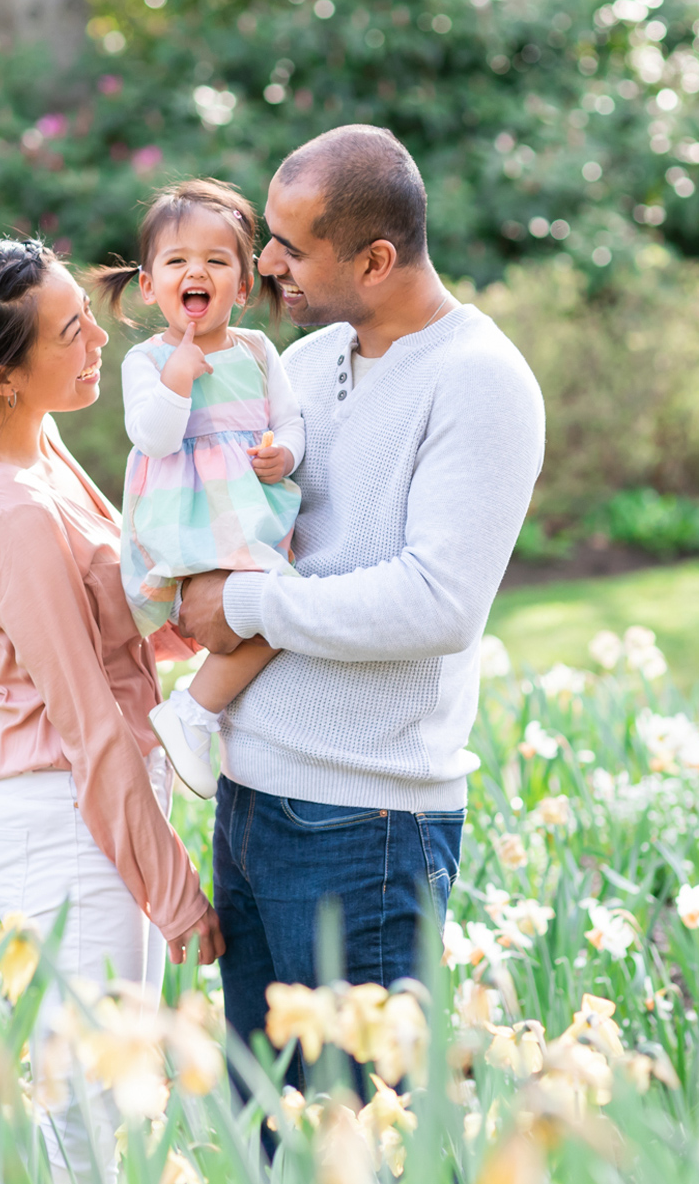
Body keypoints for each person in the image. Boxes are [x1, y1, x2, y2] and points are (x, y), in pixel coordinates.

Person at [178, 125, 545, 1075]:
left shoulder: (481, 381)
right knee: (269, 1135)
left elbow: (437, 602)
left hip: (365, 828)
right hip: (251, 803)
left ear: (376, 258)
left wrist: (252, 604)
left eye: (294, 247)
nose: (264, 263)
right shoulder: (300, 365)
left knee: (366, 1153)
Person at [0, 237, 223, 1184]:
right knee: (88, 1129)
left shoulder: (21, 432)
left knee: (98, 1121)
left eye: (87, 312)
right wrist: (176, 899)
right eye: (69, 331)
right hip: (74, 827)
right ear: (0, 376)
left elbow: (119, 614)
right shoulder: (14, 514)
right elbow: (86, 727)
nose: (97, 342)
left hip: (94, 815)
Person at [96, 179, 305, 800]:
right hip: (185, 519)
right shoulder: (148, 361)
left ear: (242, 287)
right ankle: (191, 714)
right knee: (277, 609)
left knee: (271, 612)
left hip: (248, 511)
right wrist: (178, 378)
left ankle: (196, 712)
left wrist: (285, 450)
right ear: (149, 283)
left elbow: (290, 417)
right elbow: (153, 438)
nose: (198, 272)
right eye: (178, 261)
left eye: (217, 261)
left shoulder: (258, 349)